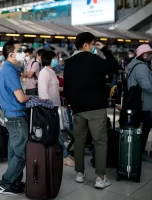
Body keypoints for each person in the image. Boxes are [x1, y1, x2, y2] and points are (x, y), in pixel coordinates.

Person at [64, 32, 120, 189]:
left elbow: (67, 87)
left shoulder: (69, 62)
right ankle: (100, 178)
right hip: (96, 108)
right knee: (100, 142)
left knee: (80, 140)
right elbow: (115, 67)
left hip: (77, 109)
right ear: (87, 44)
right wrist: (105, 50)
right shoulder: (95, 60)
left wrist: (72, 105)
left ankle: (80, 174)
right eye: (93, 44)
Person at [0, 41, 30, 195]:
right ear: (11, 54)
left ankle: (14, 181)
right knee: (23, 152)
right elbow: (21, 98)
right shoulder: (10, 71)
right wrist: (34, 97)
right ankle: (5, 183)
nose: (22, 53)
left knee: (14, 152)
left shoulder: (8, 69)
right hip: (16, 116)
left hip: (11, 115)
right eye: (20, 50)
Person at [38, 50, 75, 167]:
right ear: (48, 59)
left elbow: (54, 88)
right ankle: (64, 155)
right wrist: (48, 109)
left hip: (55, 106)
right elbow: (43, 93)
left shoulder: (52, 72)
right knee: (57, 133)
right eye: (54, 58)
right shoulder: (44, 72)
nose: (56, 60)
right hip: (49, 108)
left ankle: (63, 154)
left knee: (58, 132)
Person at [127, 44, 152, 162]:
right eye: (147, 54)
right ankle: (140, 152)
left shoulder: (135, 65)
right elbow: (146, 85)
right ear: (142, 54)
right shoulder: (141, 67)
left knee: (141, 127)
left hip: (138, 102)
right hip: (145, 102)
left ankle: (138, 151)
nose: (149, 56)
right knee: (145, 128)